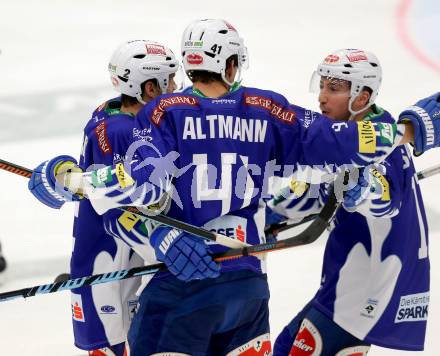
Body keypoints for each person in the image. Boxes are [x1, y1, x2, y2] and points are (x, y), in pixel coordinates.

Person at [27, 19, 440, 355]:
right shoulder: (267, 108)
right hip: (247, 289)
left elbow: (139, 186)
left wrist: (73, 179)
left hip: (180, 289)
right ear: (230, 65)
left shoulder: (161, 114)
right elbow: (334, 140)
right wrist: (406, 130)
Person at [269, 49, 430, 355]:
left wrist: (366, 188)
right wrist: (272, 209)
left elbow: (385, 199)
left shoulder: (381, 146)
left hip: (365, 288)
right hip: (350, 282)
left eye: (334, 89)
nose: (321, 98)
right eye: (322, 86)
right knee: (285, 346)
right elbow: (322, 191)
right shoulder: (359, 135)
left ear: (361, 97)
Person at [67, 40, 179, 356]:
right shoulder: (123, 130)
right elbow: (134, 202)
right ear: (149, 87)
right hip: (110, 266)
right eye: (169, 80)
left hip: (117, 262)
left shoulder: (111, 112)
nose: (175, 86)